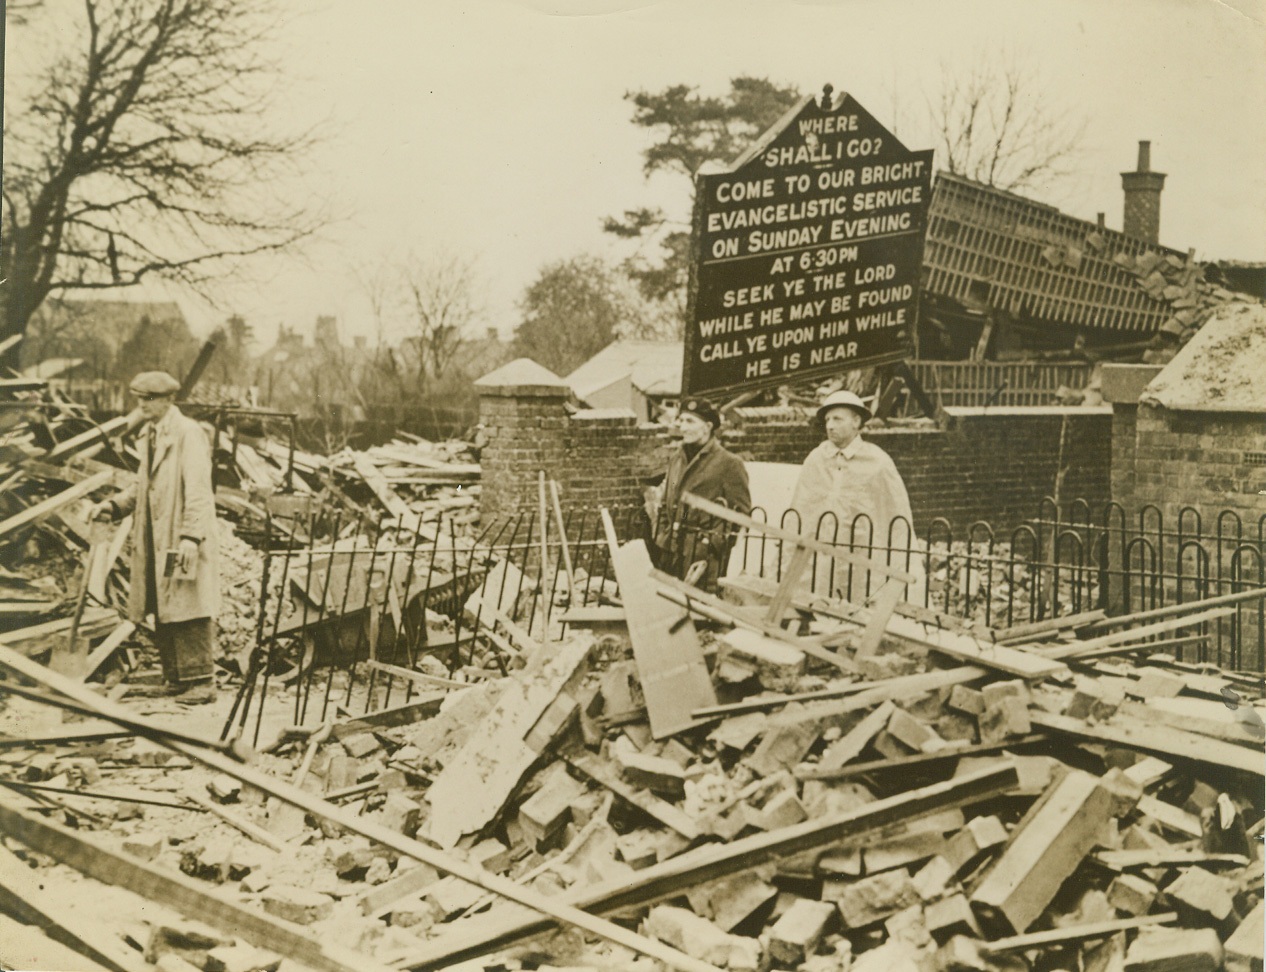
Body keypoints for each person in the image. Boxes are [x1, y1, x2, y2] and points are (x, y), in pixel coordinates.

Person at [92, 371, 220, 704]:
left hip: (181, 531)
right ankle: (176, 677)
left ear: (168, 400)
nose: (142, 406)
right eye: (139, 399)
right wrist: (114, 506)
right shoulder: (151, 434)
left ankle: (202, 681)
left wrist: (192, 536)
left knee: (187, 604)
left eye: (148, 399)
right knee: (163, 603)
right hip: (156, 532)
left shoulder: (188, 434)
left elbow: (199, 490)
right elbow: (141, 485)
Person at [790, 389, 914, 597]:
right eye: (828, 419)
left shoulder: (878, 462)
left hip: (859, 553)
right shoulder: (816, 459)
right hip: (819, 554)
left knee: (856, 599)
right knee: (816, 595)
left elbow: (895, 516)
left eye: (838, 419)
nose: (830, 426)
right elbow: (800, 511)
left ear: (856, 422)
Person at [651, 397, 751, 589]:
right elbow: (666, 502)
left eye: (690, 421)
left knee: (699, 614)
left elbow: (741, 514)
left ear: (707, 426)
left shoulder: (729, 464)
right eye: (681, 420)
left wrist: (711, 545)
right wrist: (663, 537)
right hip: (670, 553)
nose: (683, 427)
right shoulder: (676, 459)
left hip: (702, 560)